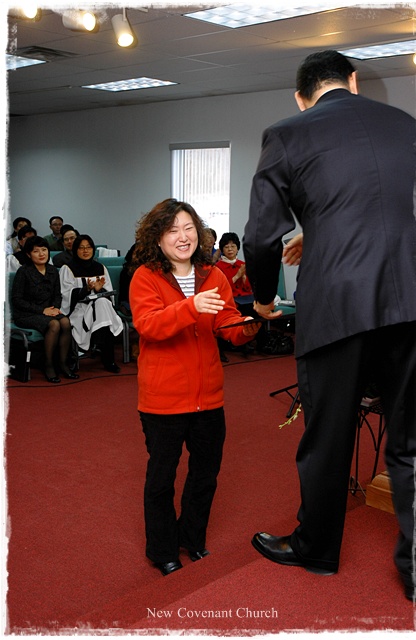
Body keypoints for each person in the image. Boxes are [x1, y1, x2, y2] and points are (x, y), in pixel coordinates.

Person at [243, 50, 416, 601]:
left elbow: (260, 236)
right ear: (354, 81)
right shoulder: (406, 125)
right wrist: (319, 229)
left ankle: (316, 549)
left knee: (329, 434)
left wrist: (264, 298)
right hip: (410, 302)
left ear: (301, 97)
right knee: (411, 440)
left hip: (337, 307)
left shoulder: (287, 133)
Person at [129, 198, 260, 577]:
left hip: (208, 398)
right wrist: (191, 306)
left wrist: (250, 325)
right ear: (157, 238)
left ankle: (192, 537)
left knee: (205, 474)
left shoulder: (212, 274)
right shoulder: (145, 277)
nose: (183, 237)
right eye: (173, 230)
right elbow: (149, 325)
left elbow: (226, 322)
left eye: (188, 228)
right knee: (161, 479)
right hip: (163, 401)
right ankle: (162, 549)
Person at [11, 236, 78, 383]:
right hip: (26, 314)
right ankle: (48, 365)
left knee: (65, 322)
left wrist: (55, 308)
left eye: (44, 250)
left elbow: (57, 295)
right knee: (54, 324)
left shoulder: (53, 270)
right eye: (36, 251)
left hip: (49, 311)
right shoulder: (23, 271)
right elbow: (17, 300)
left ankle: (63, 363)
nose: (41, 254)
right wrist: (43, 310)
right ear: (29, 254)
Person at [59, 234, 123, 373]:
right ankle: (108, 358)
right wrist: (86, 289)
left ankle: (98, 344)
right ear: (75, 250)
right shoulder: (68, 268)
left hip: (100, 307)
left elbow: (109, 292)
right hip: (79, 308)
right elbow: (66, 294)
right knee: (103, 311)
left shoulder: (100, 268)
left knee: (102, 303)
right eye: (81, 248)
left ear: (93, 249)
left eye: (88, 247)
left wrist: (99, 290)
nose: (85, 251)